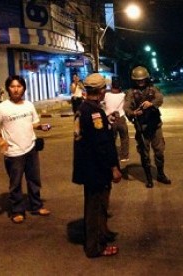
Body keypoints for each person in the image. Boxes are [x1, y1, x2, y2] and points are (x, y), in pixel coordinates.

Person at [72, 73, 122, 258]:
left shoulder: (83, 108)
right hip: (96, 168)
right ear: (101, 91)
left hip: (88, 167)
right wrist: (114, 168)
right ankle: (94, 247)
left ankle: (103, 233)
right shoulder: (94, 112)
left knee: (98, 205)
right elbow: (101, 144)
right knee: (95, 207)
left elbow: (90, 134)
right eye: (104, 89)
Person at [0, 75, 51, 224]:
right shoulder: (1, 108)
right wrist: (1, 141)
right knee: (15, 183)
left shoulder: (29, 105)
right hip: (13, 152)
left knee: (34, 180)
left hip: (31, 148)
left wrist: (41, 126)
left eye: (19, 86)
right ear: (8, 89)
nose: (16, 89)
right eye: (13, 86)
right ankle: (17, 211)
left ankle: (36, 206)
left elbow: (33, 123)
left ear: (23, 88)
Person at [124, 66, 171, 188]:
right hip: (142, 127)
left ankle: (160, 174)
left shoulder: (152, 89)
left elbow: (160, 98)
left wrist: (151, 103)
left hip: (155, 126)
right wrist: (134, 113)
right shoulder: (130, 93)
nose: (140, 82)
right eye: (138, 80)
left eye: (143, 79)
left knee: (160, 152)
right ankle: (149, 178)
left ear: (146, 78)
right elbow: (126, 108)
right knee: (144, 154)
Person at [103, 77, 129, 162]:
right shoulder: (123, 95)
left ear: (111, 86)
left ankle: (110, 155)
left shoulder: (106, 95)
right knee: (124, 138)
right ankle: (124, 156)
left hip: (110, 119)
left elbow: (101, 103)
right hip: (120, 118)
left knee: (111, 139)